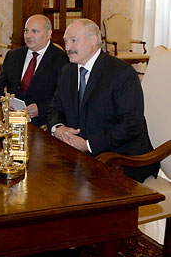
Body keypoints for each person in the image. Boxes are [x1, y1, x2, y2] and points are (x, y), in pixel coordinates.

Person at [47, 18, 159, 183]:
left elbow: (131, 124)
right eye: (65, 42)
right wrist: (59, 129)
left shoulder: (122, 73)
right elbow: (55, 109)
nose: (67, 48)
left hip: (119, 158)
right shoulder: (67, 71)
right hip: (79, 157)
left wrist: (88, 145)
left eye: (73, 41)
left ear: (93, 40)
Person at [0, 14, 68, 127]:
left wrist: (41, 109)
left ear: (49, 33)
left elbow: (64, 97)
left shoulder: (62, 60)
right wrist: (5, 102)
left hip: (43, 124)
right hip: (13, 121)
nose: (28, 35)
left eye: (34, 31)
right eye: (26, 30)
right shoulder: (13, 55)